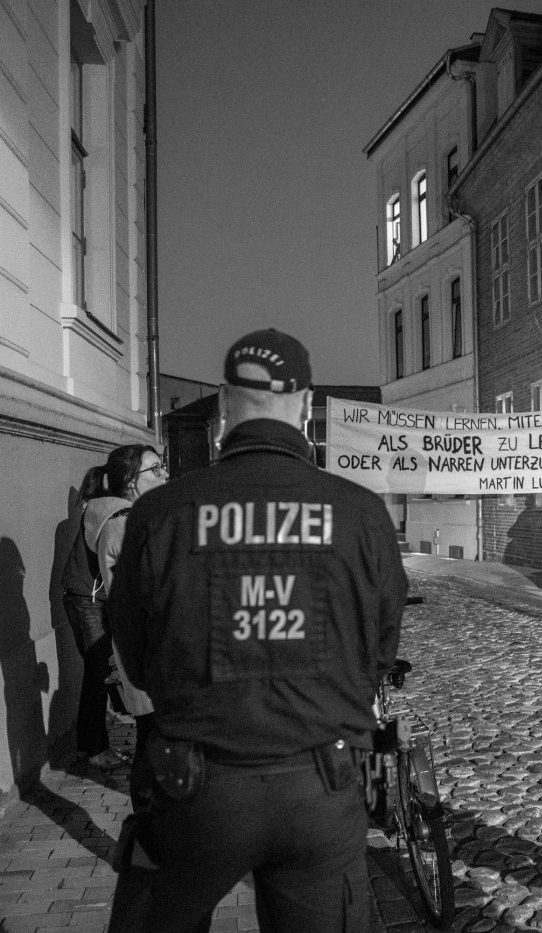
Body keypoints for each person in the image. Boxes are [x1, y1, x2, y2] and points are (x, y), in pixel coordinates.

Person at [106, 329, 406, 933]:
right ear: (305, 402)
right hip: (321, 787)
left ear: (222, 403)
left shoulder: (161, 513)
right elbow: (381, 648)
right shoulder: (360, 514)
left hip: (197, 790)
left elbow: (134, 658)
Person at [82, 444, 165, 802]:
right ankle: (148, 829)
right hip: (148, 645)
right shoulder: (123, 524)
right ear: (131, 481)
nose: (164, 475)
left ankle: (152, 825)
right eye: (156, 469)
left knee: (153, 736)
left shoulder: (128, 518)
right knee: (152, 739)